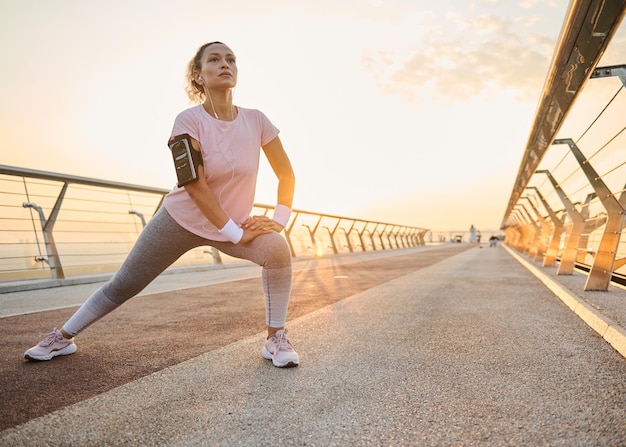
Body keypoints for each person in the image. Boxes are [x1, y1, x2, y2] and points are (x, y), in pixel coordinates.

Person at [24, 41, 299, 368]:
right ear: (198, 76)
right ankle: (63, 337)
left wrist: (278, 221)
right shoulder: (188, 120)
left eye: (231, 59)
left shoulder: (257, 120)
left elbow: (286, 174)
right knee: (123, 285)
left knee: (277, 250)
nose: (225, 64)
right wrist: (236, 234)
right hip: (180, 220)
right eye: (215, 59)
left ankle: (275, 338)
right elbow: (194, 185)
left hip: (233, 225)